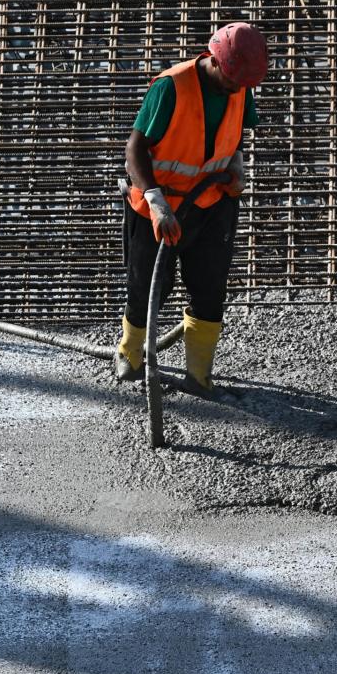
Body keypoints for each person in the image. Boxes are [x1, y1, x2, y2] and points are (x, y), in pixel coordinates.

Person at [113, 22, 268, 395]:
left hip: (212, 203)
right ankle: (130, 355)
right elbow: (134, 149)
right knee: (147, 286)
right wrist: (154, 199)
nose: (237, 89)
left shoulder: (240, 84)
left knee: (210, 289)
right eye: (232, 81)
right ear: (215, 60)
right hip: (159, 208)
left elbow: (236, 134)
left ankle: (199, 377)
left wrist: (235, 166)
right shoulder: (172, 87)